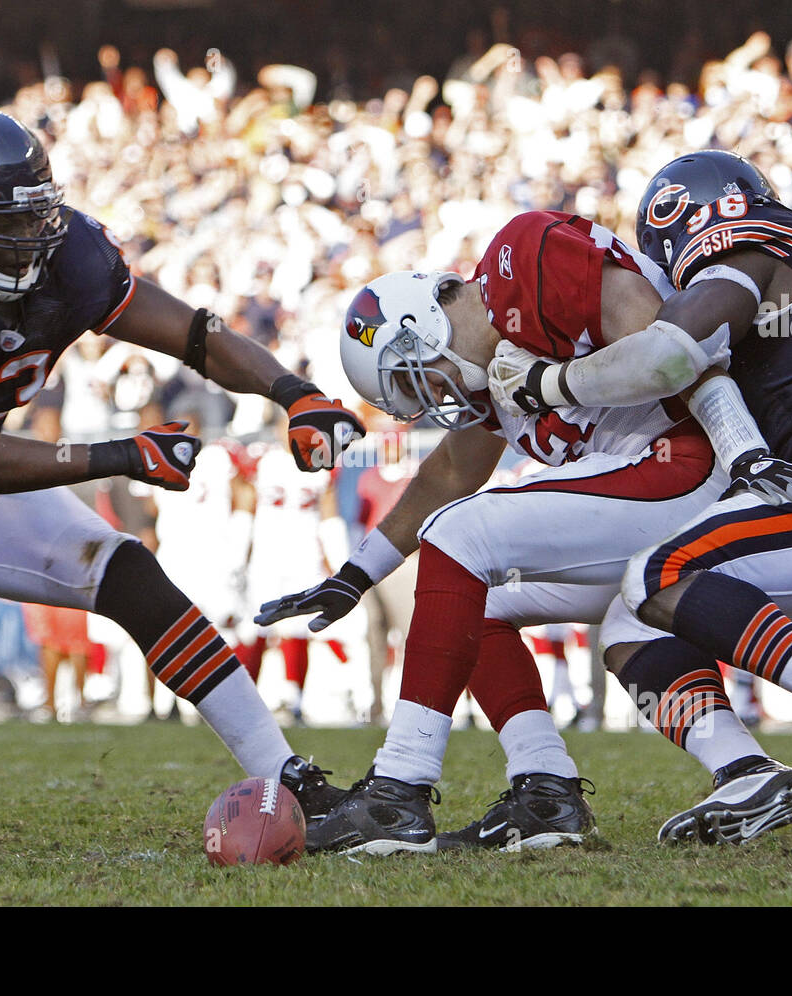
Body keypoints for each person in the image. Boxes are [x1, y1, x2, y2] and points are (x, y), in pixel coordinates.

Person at [0, 109, 364, 850]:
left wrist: (295, 393)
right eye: (8, 223)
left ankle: (289, 778)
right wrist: (121, 455)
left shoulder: (72, 254)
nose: (34, 239)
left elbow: (192, 333)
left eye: (39, 216)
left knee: (127, 572)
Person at [493, 150, 792, 842]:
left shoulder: (754, 242)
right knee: (636, 621)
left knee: (660, 571)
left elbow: (667, 352)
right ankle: (747, 773)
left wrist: (546, 385)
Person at [257, 211, 742, 854]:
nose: (433, 400)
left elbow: (667, 346)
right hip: (647, 502)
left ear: (421, 330)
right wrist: (354, 576)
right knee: (469, 600)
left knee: (458, 536)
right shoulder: (494, 376)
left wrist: (739, 444)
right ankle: (546, 789)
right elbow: (447, 474)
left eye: (418, 380)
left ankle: (399, 789)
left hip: (692, 468)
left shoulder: (523, 261)